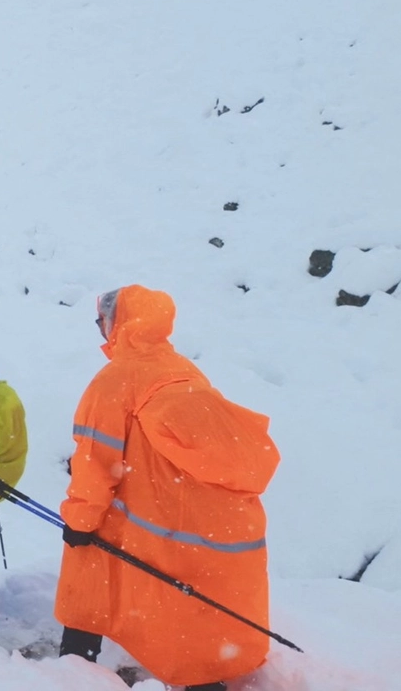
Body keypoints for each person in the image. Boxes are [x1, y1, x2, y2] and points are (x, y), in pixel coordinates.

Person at [56, 286, 280, 691]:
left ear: (116, 324)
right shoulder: (184, 369)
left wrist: (80, 520)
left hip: (148, 516)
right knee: (190, 606)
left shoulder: (114, 381)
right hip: (199, 520)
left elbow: (94, 463)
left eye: (101, 323)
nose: (100, 331)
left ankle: (74, 668)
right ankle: (205, 679)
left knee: (89, 576)